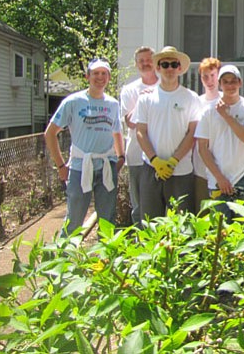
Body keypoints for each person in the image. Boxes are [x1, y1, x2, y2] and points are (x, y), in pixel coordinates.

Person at [45, 58, 124, 236]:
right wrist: (60, 166)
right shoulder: (73, 102)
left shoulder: (112, 104)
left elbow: (117, 132)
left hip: (106, 167)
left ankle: (107, 260)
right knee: (74, 219)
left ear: (109, 77)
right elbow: (50, 133)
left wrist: (121, 157)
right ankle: (65, 258)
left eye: (104, 73)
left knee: (107, 220)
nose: (100, 77)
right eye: (96, 73)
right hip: (80, 167)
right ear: (87, 76)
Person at [134, 46, 200, 220]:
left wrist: (173, 161)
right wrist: (155, 160)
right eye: (165, 64)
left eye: (173, 64)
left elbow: (193, 133)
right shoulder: (146, 98)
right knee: (149, 223)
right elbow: (140, 132)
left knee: (182, 225)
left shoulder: (191, 98)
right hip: (151, 169)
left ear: (180, 68)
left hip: (181, 171)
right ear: (158, 68)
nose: (169, 68)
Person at [195, 65, 244, 217]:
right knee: (220, 230)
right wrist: (219, 178)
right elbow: (202, 148)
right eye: (225, 81)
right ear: (220, 84)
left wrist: (226, 116)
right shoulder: (208, 111)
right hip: (217, 179)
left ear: (240, 83)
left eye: (233, 81)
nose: (230, 85)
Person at [119, 46, 159, 224]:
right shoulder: (129, 90)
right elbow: (130, 122)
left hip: (160, 155)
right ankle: (139, 243)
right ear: (136, 64)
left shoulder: (165, 86)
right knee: (138, 205)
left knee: (159, 203)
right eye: (141, 61)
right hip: (136, 155)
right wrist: (142, 100)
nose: (145, 63)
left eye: (149, 59)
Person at [192, 57, 222, 212]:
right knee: (202, 211)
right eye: (205, 76)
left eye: (213, 75)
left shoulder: (225, 100)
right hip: (200, 167)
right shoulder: (196, 102)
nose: (209, 80)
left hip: (222, 166)